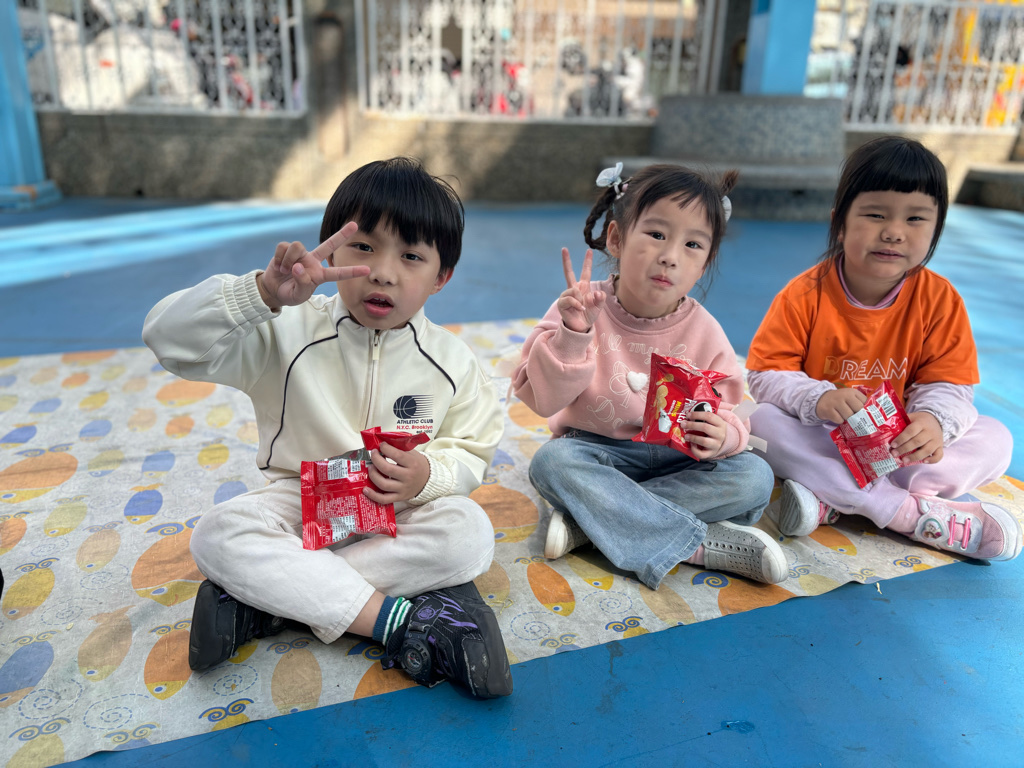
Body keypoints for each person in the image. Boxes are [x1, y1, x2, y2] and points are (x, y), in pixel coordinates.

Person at [142, 157, 513, 698]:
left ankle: (267, 602)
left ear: (441, 277)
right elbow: (166, 338)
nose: (383, 272)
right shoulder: (285, 329)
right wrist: (260, 296)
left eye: (411, 256)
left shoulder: (452, 362)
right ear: (331, 251)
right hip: (300, 502)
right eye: (363, 246)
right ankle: (397, 621)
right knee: (219, 533)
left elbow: (472, 449)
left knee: (470, 532)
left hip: (397, 508)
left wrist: (427, 475)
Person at [511, 162, 785, 590]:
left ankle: (591, 523)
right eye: (657, 234)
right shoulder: (581, 308)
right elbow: (541, 400)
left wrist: (724, 436)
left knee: (755, 477)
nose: (670, 256)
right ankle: (694, 544)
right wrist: (574, 336)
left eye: (692, 245)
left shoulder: (706, 329)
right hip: (600, 455)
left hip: (680, 462)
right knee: (552, 464)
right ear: (616, 239)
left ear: (704, 264)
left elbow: (731, 408)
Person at [745, 136, 1020, 561]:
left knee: (997, 439)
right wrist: (818, 399)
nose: (893, 232)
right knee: (760, 424)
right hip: (827, 439)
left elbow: (950, 384)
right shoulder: (803, 294)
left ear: (936, 230)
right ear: (840, 223)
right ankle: (905, 512)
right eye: (875, 214)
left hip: (900, 452)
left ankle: (835, 497)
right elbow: (765, 375)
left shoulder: (940, 300)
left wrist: (933, 422)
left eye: (915, 218)